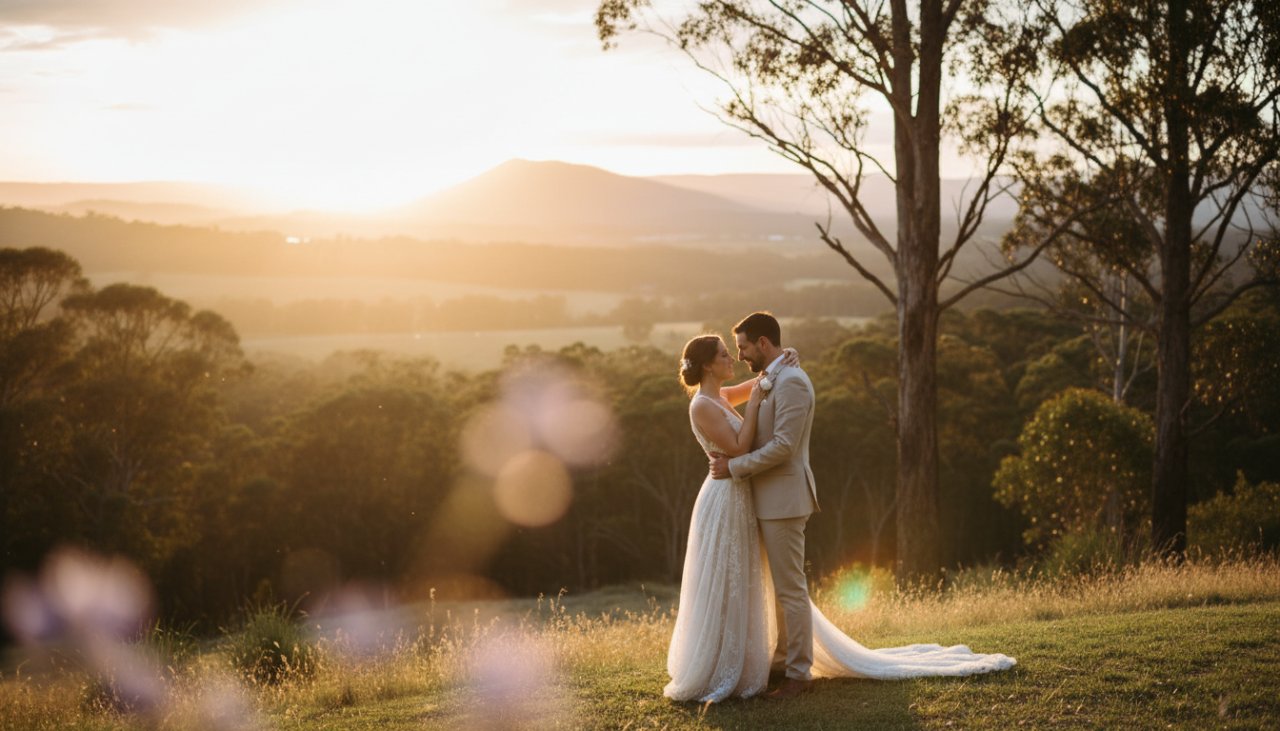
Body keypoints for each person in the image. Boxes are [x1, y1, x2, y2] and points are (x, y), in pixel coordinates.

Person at [665, 313, 1016, 704]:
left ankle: (797, 673)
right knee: (766, 587)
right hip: (749, 498)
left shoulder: (792, 382)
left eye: (743, 347)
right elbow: (753, 402)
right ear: (708, 364)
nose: (738, 355)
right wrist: (770, 376)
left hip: (779, 498)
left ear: (763, 344)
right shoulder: (742, 389)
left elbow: (782, 447)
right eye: (729, 352)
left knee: (789, 590)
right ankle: (779, 662)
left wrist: (734, 464)